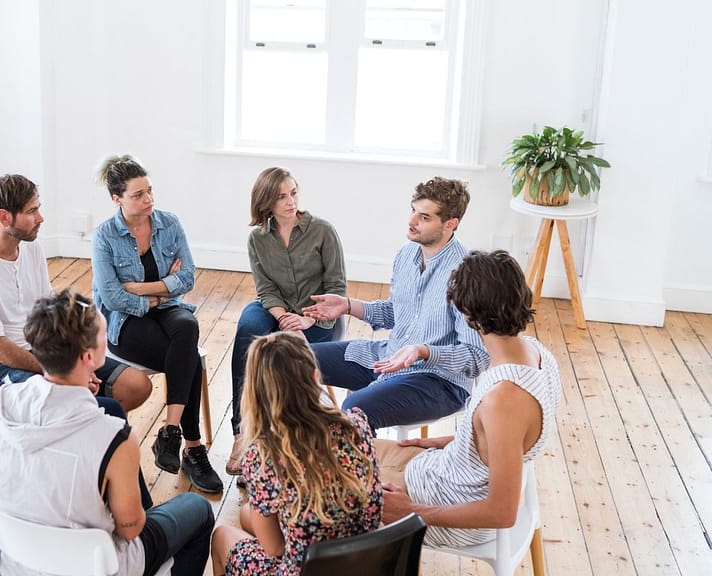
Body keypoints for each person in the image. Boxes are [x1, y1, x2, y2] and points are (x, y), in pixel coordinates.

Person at [0, 289, 214, 576]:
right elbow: (130, 529)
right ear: (88, 356)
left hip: (17, 561)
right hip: (94, 566)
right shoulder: (113, 436)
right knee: (198, 509)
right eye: (103, 335)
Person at [376, 250, 562, 547]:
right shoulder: (535, 353)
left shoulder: (504, 400)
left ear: (467, 313)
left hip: (448, 507)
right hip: (442, 471)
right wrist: (447, 440)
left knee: (321, 486)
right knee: (342, 450)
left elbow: (501, 513)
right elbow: (502, 444)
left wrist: (411, 512)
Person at [0, 174, 152, 418]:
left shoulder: (31, 247)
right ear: (4, 217)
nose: (41, 218)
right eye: (32, 211)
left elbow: (48, 313)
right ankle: (79, 432)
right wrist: (69, 372)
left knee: (137, 385)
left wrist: (74, 360)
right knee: (78, 406)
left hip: (43, 351)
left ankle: (87, 435)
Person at [302, 176, 489, 429]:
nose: (412, 221)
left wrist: (424, 351)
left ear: (450, 224)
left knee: (356, 408)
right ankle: (293, 452)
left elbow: (476, 356)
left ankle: (353, 467)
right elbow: (396, 312)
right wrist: (347, 305)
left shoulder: (467, 272)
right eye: (413, 210)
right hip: (388, 357)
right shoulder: (406, 253)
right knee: (291, 360)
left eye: (424, 217)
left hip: (438, 381)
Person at [92, 155, 223, 493]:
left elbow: (188, 277)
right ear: (117, 199)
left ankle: (170, 431)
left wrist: (142, 289)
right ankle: (192, 449)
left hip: (167, 310)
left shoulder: (169, 223)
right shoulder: (104, 237)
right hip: (125, 322)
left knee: (187, 327)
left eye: (150, 191)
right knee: (187, 356)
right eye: (138, 195)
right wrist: (159, 291)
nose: (149, 199)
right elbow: (113, 297)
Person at [210, 332, 383, 576]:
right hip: (365, 561)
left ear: (256, 393)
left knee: (222, 536)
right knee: (247, 513)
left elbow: (274, 547)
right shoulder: (357, 425)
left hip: (307, 569)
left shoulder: (262, 457)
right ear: (315, 377)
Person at [226, 166, 347, 477]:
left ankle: (288, 444)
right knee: (249, 331)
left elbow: (336, 288)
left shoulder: (323, 231)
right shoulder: (258, 239)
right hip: (275, 308)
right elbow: (265, 288)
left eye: (293, 193)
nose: (290, 201)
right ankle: (243, 433)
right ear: (266, 201)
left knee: (289, 360)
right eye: (281, 197)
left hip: (319, 317)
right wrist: (282, 317)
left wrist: (306, 320)